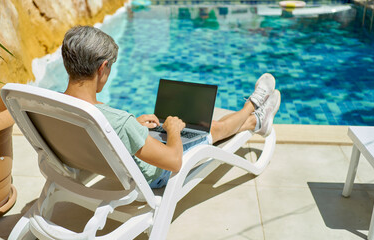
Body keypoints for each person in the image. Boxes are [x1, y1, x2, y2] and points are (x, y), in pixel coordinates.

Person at [62, 26, 281, 188]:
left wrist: (132, 128)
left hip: (107, 160)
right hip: (153, 175)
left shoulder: (48, 104)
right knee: (210, 128)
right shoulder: (119, 122)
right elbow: (174, 162)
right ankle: (252, 108)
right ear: (102, 68)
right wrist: (174, 130)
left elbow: (110, 129)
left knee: (199, 126)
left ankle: (256, 119)